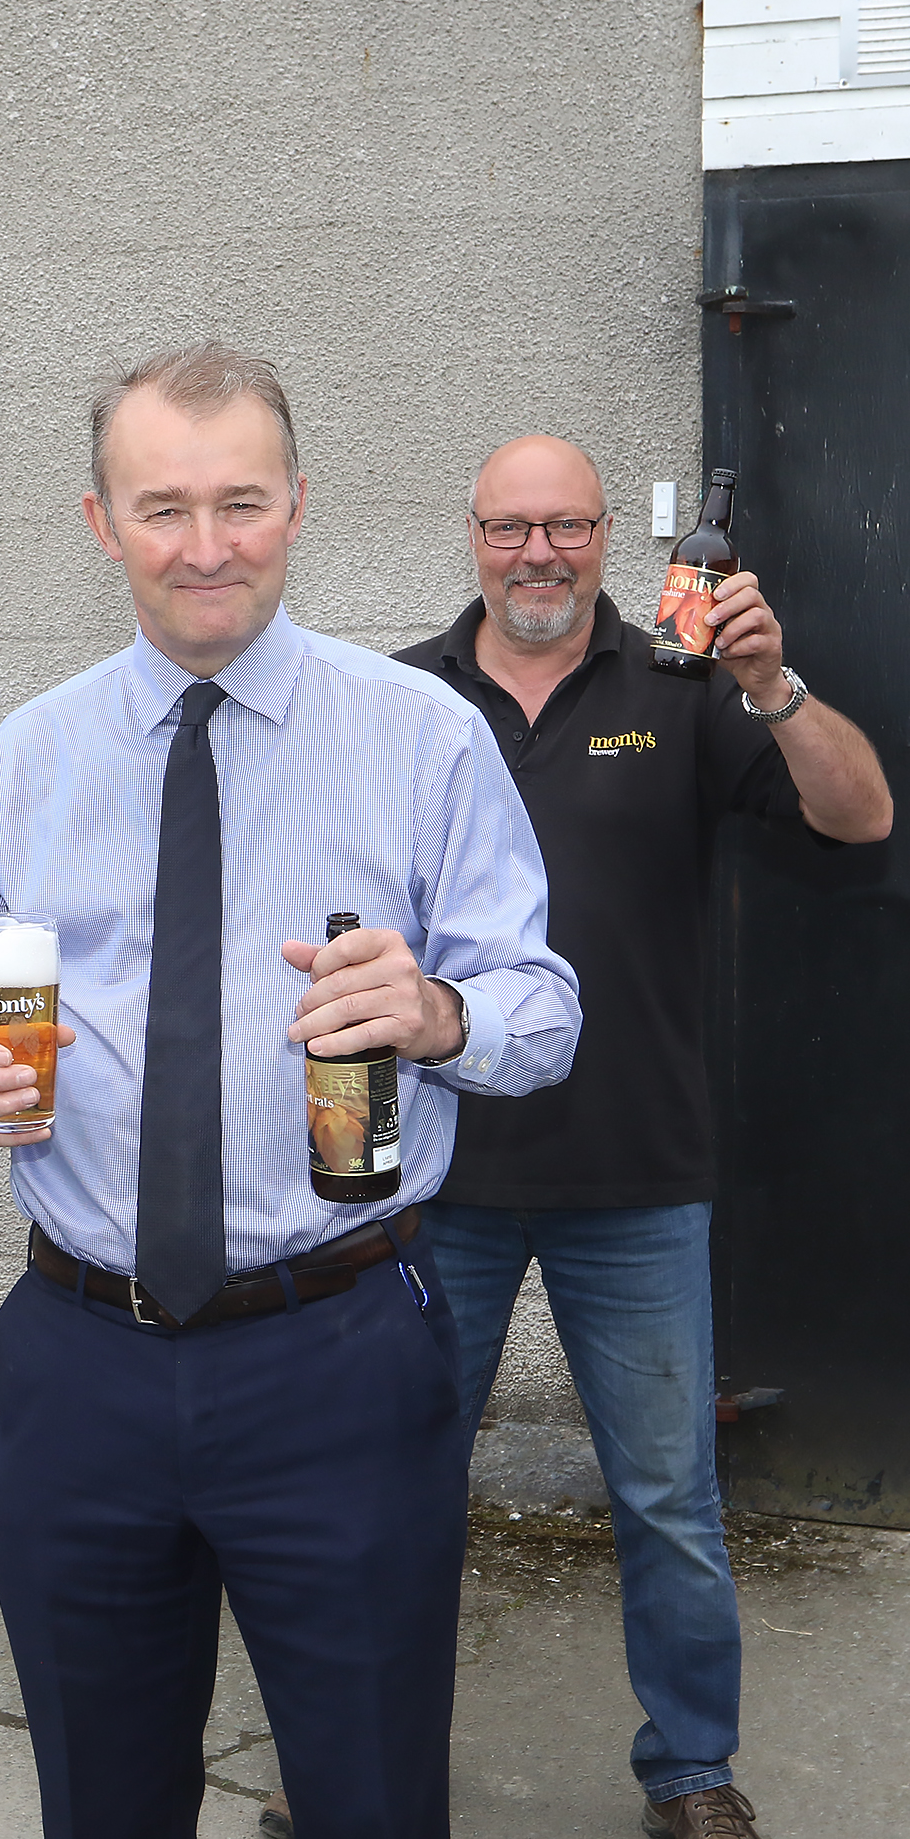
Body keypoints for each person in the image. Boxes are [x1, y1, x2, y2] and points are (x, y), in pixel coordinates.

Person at [0, 342, 582, 1839]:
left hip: (333, 1350)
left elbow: (540, 1014)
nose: (203, 546)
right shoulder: (27, 759)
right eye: (161, 508)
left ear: (297, 505)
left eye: (239, 503)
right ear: (98, 523)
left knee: (368, 1793)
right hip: (79, 1358)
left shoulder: (422, 736)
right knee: (100, 1797)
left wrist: (433, 1009)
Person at [384, 436, 890, 1839]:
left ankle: (689, 1773)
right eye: (509, 526)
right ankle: (357, 1761)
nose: (535, 551)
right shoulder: (402, 696)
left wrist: (768, 685)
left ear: (608, 534)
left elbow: (861, 819)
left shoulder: (679, 680)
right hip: (440, 1176)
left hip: (636, 1180)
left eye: (564, 526)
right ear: (471, 533)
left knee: (666, 1500)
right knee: (391, 1486)